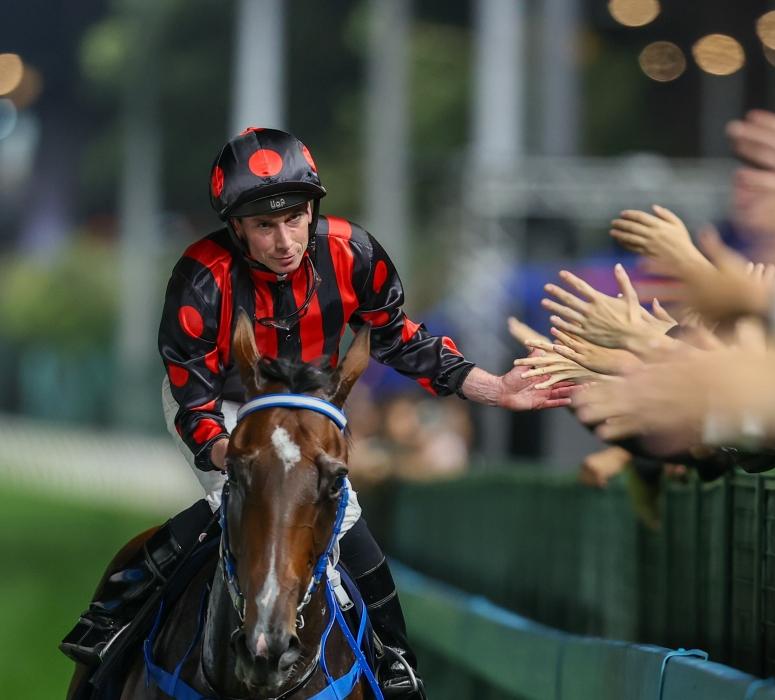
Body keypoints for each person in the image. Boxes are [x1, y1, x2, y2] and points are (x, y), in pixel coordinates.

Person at [60, 127, 573, 698]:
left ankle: (395, 660)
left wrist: (495, 387)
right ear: (235, 229)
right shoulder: (201, 276)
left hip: (308, 405)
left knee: (346, 521)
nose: (284, 240)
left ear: (312, 210)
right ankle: (111, 625)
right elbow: (193, 396)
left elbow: (400, 339)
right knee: (232, 503)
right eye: (264, 226)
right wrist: (233, 453)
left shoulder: (354, 253)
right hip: (224, 404)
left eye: (295, 218)